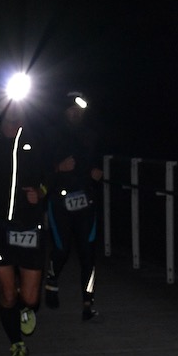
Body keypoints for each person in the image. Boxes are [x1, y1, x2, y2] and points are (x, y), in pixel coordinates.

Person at [0, 104, 47, 356]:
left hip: (29, 227)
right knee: (7, 294)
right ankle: (17, 344)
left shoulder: (36, 141)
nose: (14, 115)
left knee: (29, 297)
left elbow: (50, 176)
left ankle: (26, 309)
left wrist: (41, 193)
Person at [44, 90, 103, 321]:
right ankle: (51, 280)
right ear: (64, 111)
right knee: (61, 249)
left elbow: (98, 163)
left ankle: (88, 305)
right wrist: (58, 169)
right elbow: (39, 170)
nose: (75, 113)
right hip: (59, 200)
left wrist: (97, 172)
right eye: (71, 109)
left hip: (86, 201)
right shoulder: (50, 135)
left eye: (79, 110)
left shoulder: (92, 136)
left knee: (88, 255)